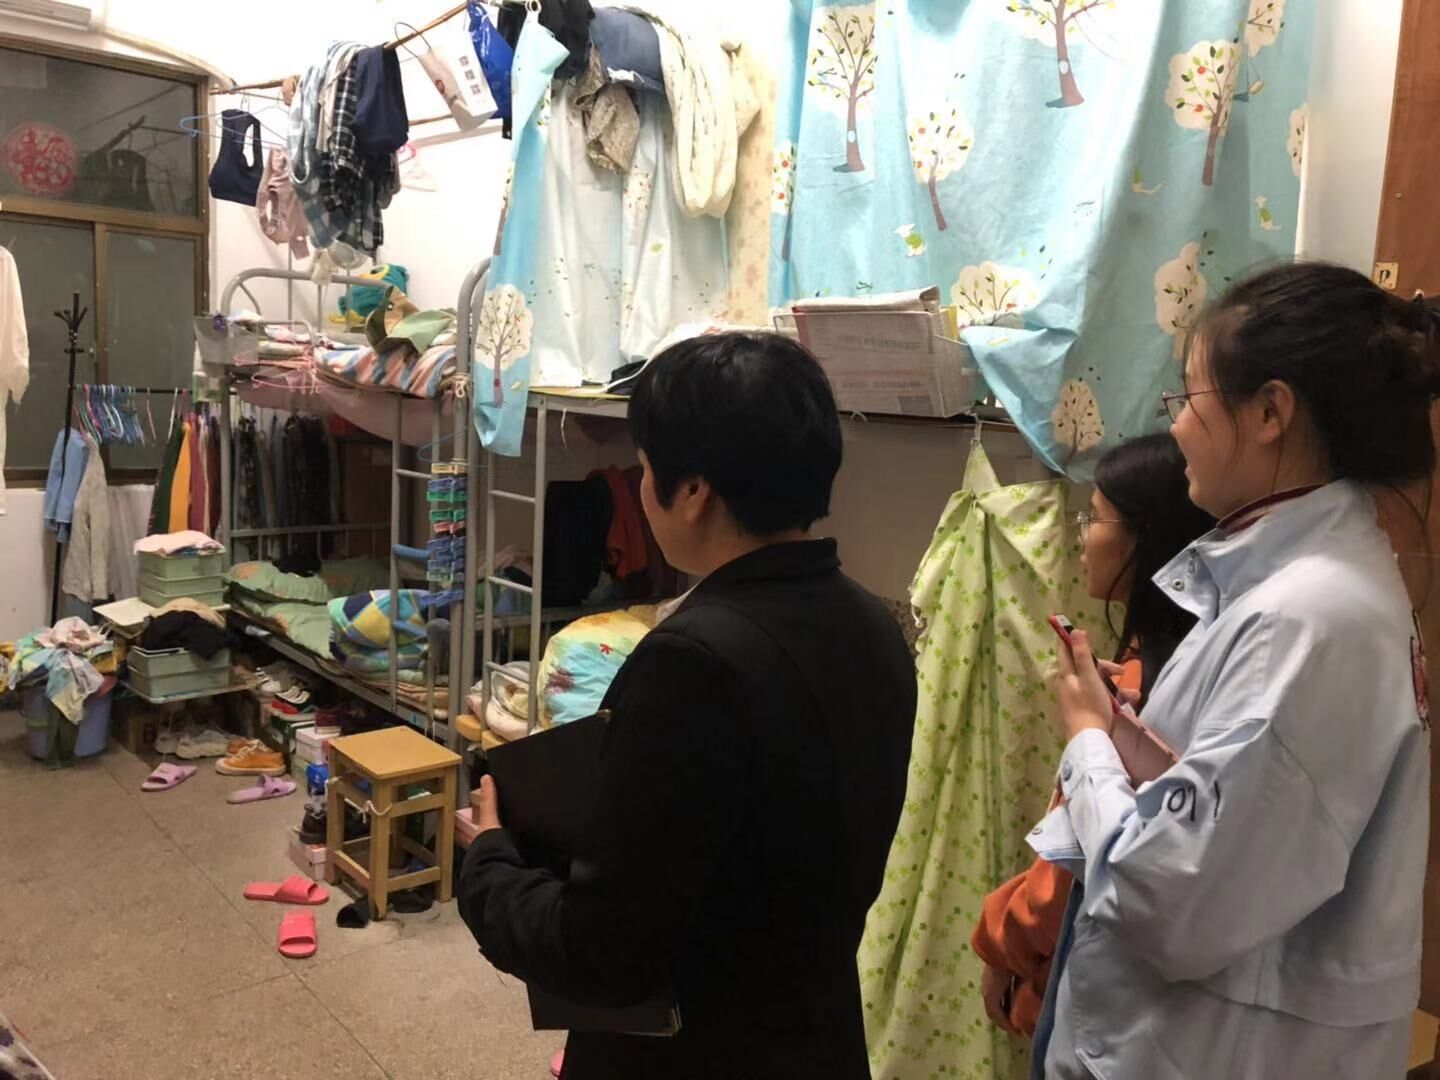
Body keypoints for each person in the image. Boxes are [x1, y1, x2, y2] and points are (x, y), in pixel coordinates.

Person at [458, 332, 917, 1080]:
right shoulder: (875, 626)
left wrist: (489, 857)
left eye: (644, 469)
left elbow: (603, 953)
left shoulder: (693, 662)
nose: (642, 491)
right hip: (819, 1036)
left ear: (695, 491)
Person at [1043, 262, 1434, 1078]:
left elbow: (1170, 900)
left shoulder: (1310, 617)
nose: (1179, 427)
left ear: (1269, 413)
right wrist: (1125, 736)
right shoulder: (1295, 589)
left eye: (1188, 399)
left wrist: (1085, 742)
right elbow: (1239, 803)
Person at [973, 433, 1213, 1037]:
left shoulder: (1158, 694)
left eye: (1096, 517)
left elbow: (1070, 873)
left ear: (1145, 537)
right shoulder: (1155, 666)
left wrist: (997, 942)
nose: (1082, 536)